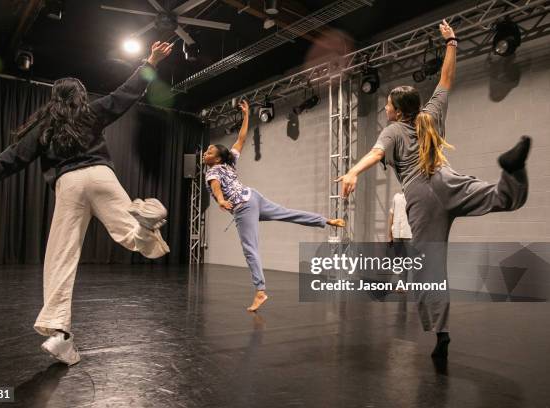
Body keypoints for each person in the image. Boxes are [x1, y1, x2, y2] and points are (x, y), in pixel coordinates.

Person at [0, 41, 175, 365]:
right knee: (128, 233)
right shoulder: (92, 113)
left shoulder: (44, 129)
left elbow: (11, 159)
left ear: (55, 99)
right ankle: (146, 219)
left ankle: (59, 334)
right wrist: (150, 61)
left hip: (69, 185)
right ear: (80, 97)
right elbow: (126, 93)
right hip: (101, 176)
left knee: (61, 259)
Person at [335, 20, 530, 358]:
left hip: (421, 197)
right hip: (448, 179)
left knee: (429, 268)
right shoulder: (430, 115)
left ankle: (441, 335)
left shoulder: (393, 130)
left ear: (397, 110)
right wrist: (452, 42)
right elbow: (446, 79)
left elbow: (376, 153)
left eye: (388, 106)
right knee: (502, 198)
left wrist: (352, 171)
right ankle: (512, 171)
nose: (385, 109)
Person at [204, 100, 346, 312]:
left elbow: (216, 188)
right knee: (287, 213)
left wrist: (223, 200)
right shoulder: (229, 162)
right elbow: (241, 139)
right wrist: (245, 116)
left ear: (216, 159)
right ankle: (325, 220)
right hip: (253, 196)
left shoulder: (213, 171)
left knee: (250, 248)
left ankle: (260, 292)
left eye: (209, 152)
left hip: (243, 205)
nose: (205, 153)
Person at [388, 192, 412, 290]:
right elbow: (391, 214)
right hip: (397, 233)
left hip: (409, 233)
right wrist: (389, 234)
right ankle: (402, 285)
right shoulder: (396, 197)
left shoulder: (413, 195)